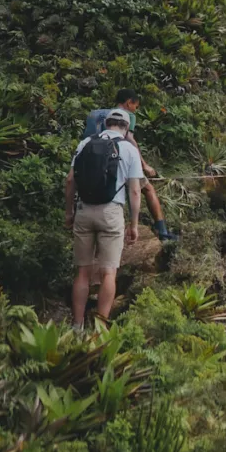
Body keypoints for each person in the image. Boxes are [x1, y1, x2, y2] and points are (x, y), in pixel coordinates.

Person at [65, 108, 144, 331]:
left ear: (105, 123)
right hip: (111, 213)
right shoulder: (129, 149)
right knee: (108, 272)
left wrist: (69, 213)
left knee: (83, 272)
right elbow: (135, 191)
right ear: (126, 128)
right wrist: (134, 224)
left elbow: (70, 181)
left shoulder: (84, 144)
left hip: (84, 210)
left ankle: (77, 326)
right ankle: (100, 330)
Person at [82, 88, 176, 242]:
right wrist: (144, 165)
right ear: (128, 103)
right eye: (135, 106)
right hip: (120, 160)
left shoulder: (98, 115)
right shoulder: (127, 116)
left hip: (95, 163)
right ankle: (163, 232)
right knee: (148, 190)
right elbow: (130, 139)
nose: (135, 110)